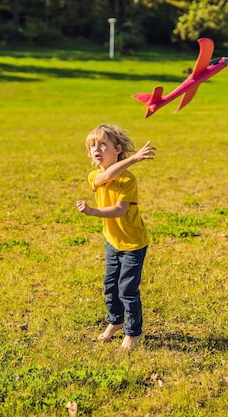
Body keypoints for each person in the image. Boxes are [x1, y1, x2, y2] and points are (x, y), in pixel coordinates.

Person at [76, 124, 156, 351]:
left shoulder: (128, 180)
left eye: (103, 144)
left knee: (127, 290)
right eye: (92, 145)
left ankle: (134, 332)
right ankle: (116, 321)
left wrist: (93, 211)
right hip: (112, 241)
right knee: (110, 286)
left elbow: (120, 210)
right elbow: (106, 175)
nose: (96, 148)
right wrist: (134, 158)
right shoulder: (95, 176)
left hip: (133, 243)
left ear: (117, 149)